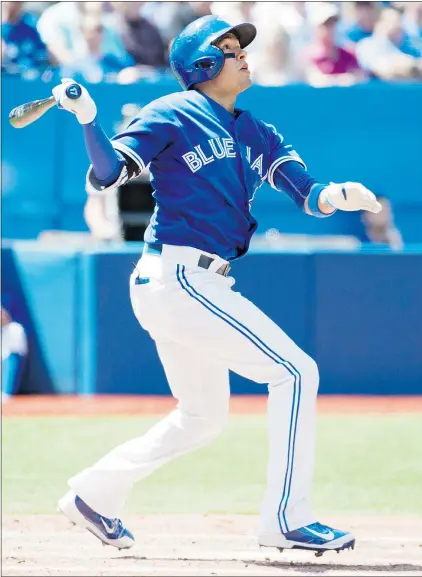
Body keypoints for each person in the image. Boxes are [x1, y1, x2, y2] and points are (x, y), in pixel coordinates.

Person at [53, 15, 381, 556]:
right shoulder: (172, 112)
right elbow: (108, 173)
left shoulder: (255, 128)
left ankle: (94, 493)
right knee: (297, 372)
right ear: (202, 64)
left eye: (239, 47)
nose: (242, 55)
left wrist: (339, 195)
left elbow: (309, 194)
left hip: (192, 281)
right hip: (177, 274)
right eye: (228, 49)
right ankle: (287, 518)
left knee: (202, 418)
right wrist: (89, 120)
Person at [301, 2, 366, 87]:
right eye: (326, 25)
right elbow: (313, 79)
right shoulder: (307, 56)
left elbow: (360, 77)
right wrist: (341, 80)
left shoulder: (348, 54)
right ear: (316, 28)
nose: (330, 29)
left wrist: (349, 78)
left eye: (332, 24)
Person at [356, 7, 422, 80]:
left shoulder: (407, 47)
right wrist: (409, 66)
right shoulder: (366, 45)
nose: (398, 26)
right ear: (379, 23)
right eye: (393, 22)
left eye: (399, 22)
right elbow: (380, 70)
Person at [1, 1, 49, 76]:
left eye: (17, 2)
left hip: (31, 76)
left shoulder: (32, 23)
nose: (12, 5)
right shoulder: (3, 28)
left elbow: (44, 56)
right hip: (7, 78)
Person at [1, 305, 28, 399]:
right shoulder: (4, 329)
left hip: (14, 354)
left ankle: (6, 393)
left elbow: (19, 345)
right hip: (6, 356)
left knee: (11, 373)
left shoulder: (15, 328)